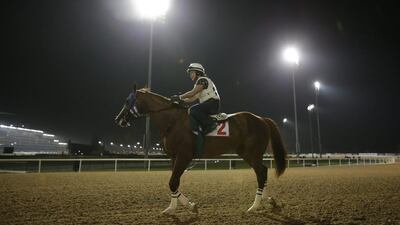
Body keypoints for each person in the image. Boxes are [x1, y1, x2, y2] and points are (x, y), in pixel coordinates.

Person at [171, 63, 221, 155]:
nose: (190, 75)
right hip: (208, 104)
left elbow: (192, 93)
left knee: (193, 110)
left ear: (198, 73)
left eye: (192, 73)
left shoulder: (203, 80)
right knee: (192, 110)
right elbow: (192, 98)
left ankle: (211, 124)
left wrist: (180, 97)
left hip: (212, 103)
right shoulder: (198, 83)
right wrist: (180, 101)